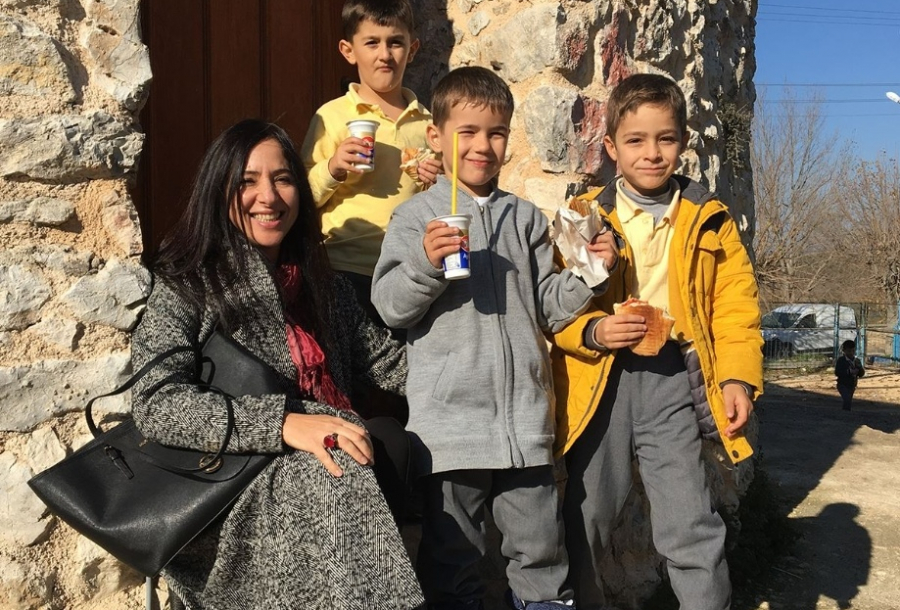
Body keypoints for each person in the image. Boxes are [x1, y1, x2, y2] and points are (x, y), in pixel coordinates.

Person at [130, 119, 424, 610]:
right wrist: (282, 423)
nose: (268, 197)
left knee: (372, 449)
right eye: (247, 181)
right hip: (234, 481)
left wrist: (481, 370)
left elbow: (388, 361)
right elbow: (156, 403)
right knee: (334, 467)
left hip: (327, 467)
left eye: (282, 178)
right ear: (218, 192)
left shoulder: (324, 285)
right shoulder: (188, 285)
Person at [371, 66, 616, 610]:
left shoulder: (525, 219)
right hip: (449, 430)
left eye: (497, 132)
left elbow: (548, 308)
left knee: (542, 557)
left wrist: (588, 273)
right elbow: (390, 307)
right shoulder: (414, 217)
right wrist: (425, 264)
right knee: (452, 561)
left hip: (524, 426)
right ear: (436, 136)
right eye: (468, 132)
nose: (483, 146)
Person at [551, 73, 764, 610]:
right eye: (636, 140)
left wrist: (737, 377)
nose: (651, 153)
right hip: (601, 384)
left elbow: (734, 307)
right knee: (585, 516)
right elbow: (554, 306)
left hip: (674, 380)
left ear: (683, 142)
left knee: (690, 520)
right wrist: (595, 331)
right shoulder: (583, 217)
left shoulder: (709, 218)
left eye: (665, 139)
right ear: (610, 147)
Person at [835, 339, 864, 411]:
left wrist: (859, 370)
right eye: (849, 351)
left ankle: (846, 412)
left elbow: (861, 374)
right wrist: (848, 371)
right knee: (847, 399)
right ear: (844, 351)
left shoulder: (856, 361)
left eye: (853, 351)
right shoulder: (841, 360)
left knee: (849, 400)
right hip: (842, 384)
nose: (851, 353)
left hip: (852, 384)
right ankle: (846, 413)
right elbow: (837, 372)